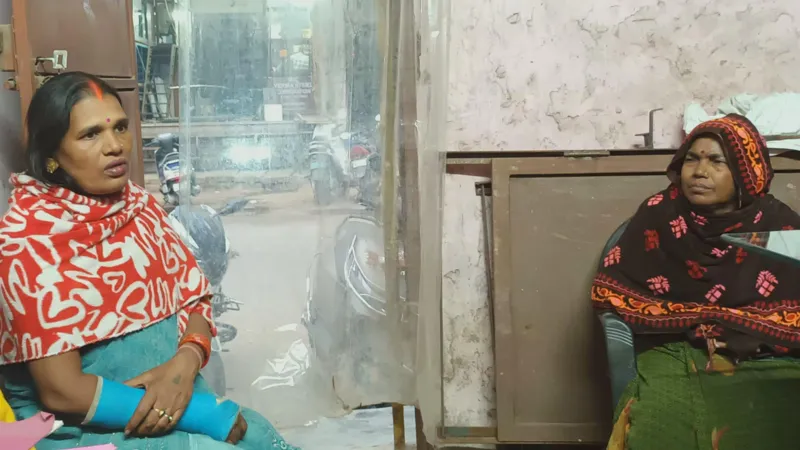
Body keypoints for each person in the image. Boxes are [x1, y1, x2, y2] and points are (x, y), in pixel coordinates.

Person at [0, 71, 300, 449]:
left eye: (121, 128)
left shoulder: (140, 209)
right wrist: (201, 414)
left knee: (259, 435)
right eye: (91, 134)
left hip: (176, 398)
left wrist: (185, 364)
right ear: (52, 156)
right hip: (84, 429)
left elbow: (195, 299)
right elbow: (62, 394)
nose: (115, 145)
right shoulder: (27, 241)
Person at [592, 114, 800, 450]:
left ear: (746, 173)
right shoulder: (660, 214)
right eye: (692, 159)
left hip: (761, 355)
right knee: (661, 424)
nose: (699, 172)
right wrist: (701, 323)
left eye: (717, 161)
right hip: (674, 348)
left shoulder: (779, 226)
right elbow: (612, 293)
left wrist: (742, 330)